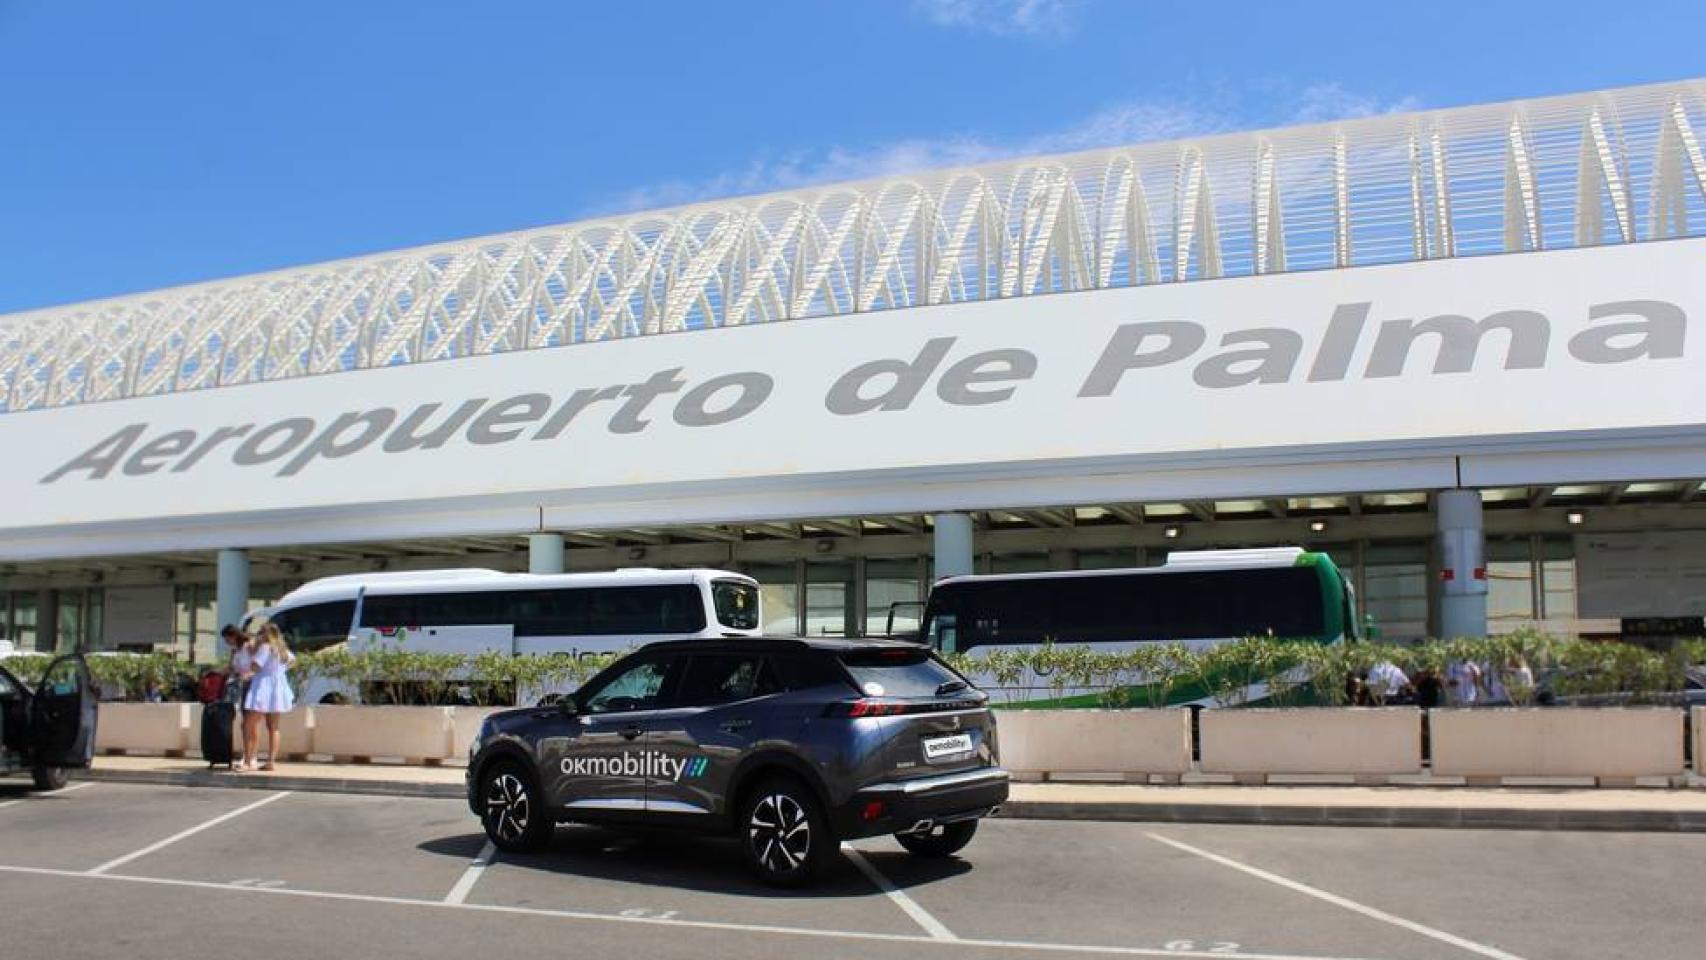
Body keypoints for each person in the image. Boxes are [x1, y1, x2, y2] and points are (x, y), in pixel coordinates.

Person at [241, 623, 297, 772]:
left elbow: (255, 666)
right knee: (273, 727)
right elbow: (293, 660)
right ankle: (271, 761)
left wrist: (253, 653)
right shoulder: (281, 648)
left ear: (265, 634)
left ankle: (247, 760)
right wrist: (280, 670)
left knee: (248, 724)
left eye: (261, 632)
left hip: (263, 686)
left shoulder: (265, 647)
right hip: (278, 687)